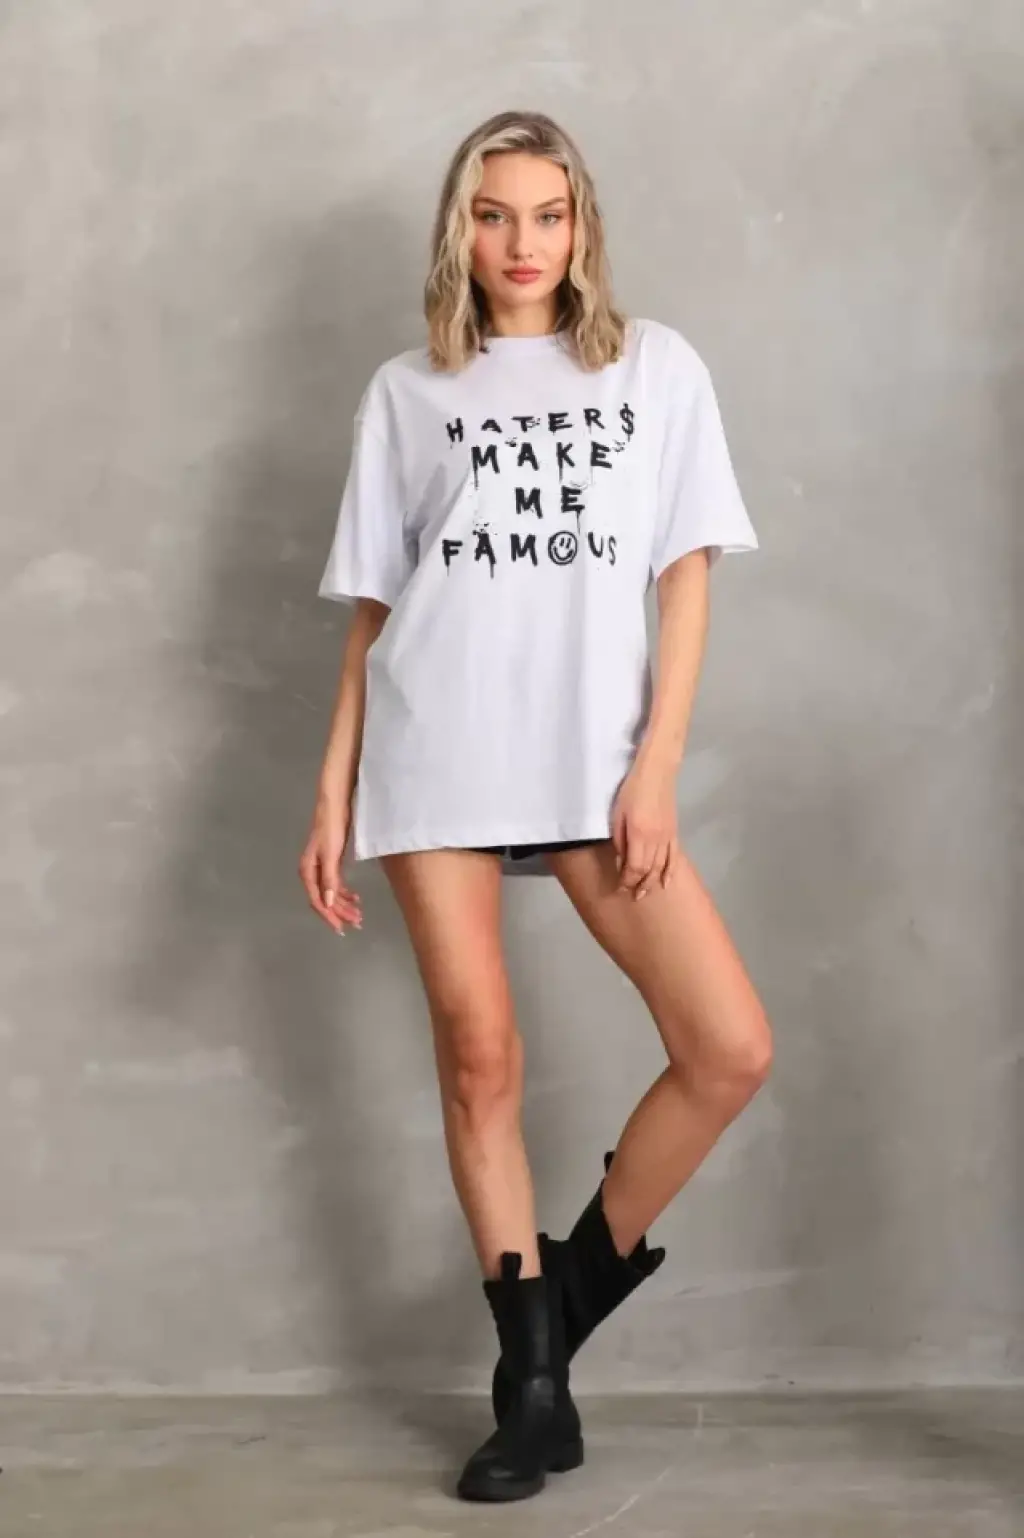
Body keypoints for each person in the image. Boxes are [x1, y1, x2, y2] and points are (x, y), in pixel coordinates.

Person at [299, 109, 772, 1504]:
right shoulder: (409, 392)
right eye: (494, 215)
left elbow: (687, 575)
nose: (522, 243)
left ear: (582, 226)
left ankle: (555, 1310)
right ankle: (537, 1394)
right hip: (436, 747)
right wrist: (331, 789)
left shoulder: (653, 368)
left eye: (548, 215)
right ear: (462, 229)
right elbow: (377, 610)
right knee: (479, 1057)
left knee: (728, 1046)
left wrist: (656, 764)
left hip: (592, 759)